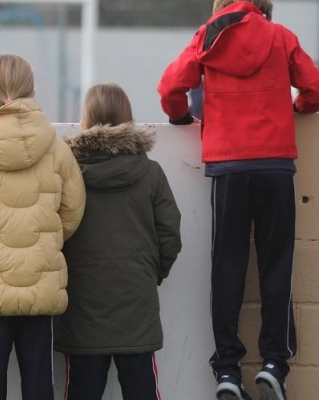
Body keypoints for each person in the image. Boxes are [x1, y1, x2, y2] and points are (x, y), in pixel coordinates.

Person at [157, 0, 319, 400]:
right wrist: (297, 109)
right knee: (277, 266)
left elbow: (169, 90)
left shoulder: (207, 36)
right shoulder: (280, 36)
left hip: (227, 168)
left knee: (227, 268)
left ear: (223, 7)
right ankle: (274, 363)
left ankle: (227, 370)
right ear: (262, 8)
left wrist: (181, 120)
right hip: (274, 165)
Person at [0, 54, 86, 400]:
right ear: (31, 89)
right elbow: (73, 210)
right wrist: (45, 240)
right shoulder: (57, 147)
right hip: (41, 278)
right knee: (39, 380)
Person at [55, 84, 182, 400]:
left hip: (82, 301)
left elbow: (53, 230)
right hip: (136, 300)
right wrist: (152, 273)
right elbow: (170, 235)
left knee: (82, 389)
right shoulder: (150, 173)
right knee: (142, 390)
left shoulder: (68, 174)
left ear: (86, 121)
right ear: (128, 118)